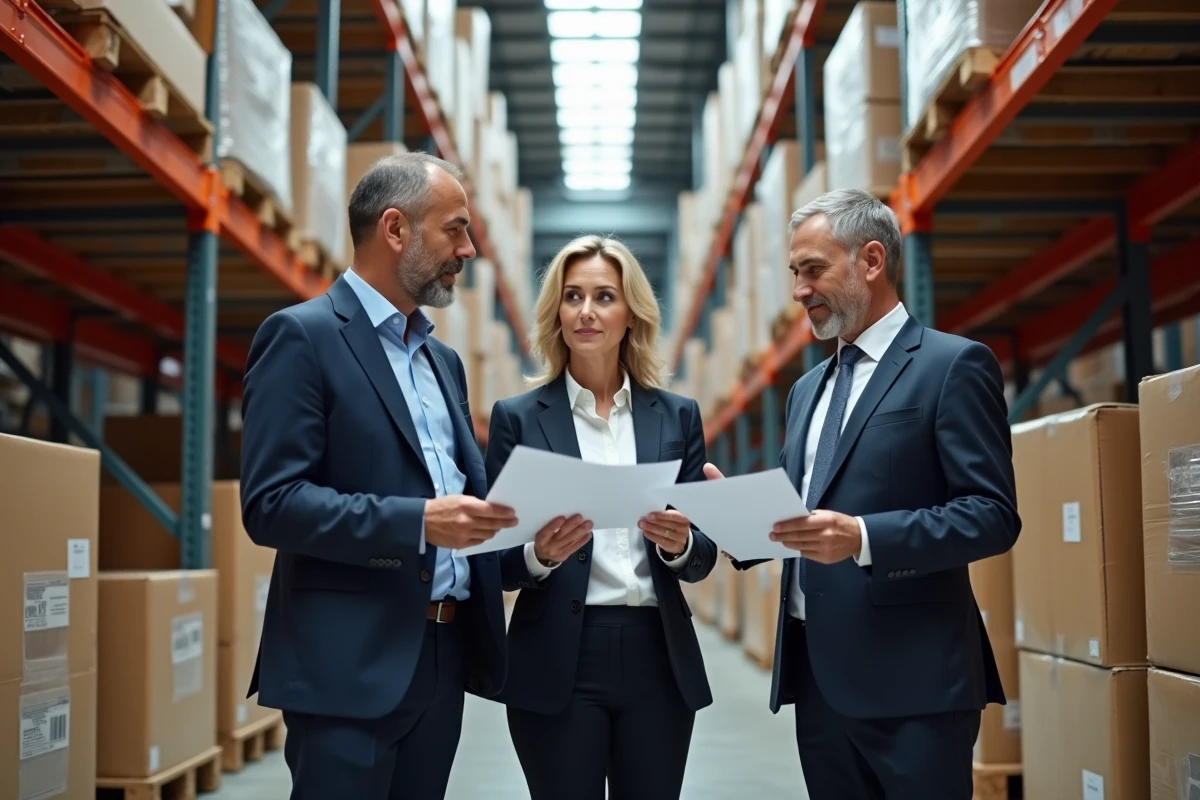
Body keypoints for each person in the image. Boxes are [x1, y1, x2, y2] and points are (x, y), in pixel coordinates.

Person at [714, 188, 1021, 798]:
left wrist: (863, 537)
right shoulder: (806, 390)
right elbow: (800, 516)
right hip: (818, 684)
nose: (799, 290)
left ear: (872, 261)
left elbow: (991, 515)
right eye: (794, 272)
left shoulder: (952, 366)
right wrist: (734, 522)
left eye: (813, 269)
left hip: (914, 686)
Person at [239, 152, 518, 799]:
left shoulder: (443, 361)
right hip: (347, 665)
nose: (468, 250)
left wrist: (532, 548)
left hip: (442, 656)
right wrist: (418, 522)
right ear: (395, 229)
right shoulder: (302, 337)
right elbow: (272, 503)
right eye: (454, 230)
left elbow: (462, 509)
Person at [483, 235, 718, 800]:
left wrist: (681, 545)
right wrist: (538, 556)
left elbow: (704, 557)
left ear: (631, 315)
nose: (586, 311)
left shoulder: (677, 417)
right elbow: (491, 561)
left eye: (604, 296)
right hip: (558, 655)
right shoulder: (518, 420)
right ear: (557, 313)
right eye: (573, 296)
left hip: (657, 656)